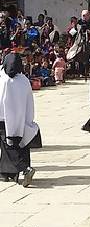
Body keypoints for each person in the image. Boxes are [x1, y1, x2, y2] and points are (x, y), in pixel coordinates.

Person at [0, 53, 40, 185]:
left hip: (4, 120)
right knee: (21, 145)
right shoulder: (23, 80)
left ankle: (25, 169)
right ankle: (7, 173)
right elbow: (29, 101)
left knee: (8, 147)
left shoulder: (4, 80)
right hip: (21, 119)